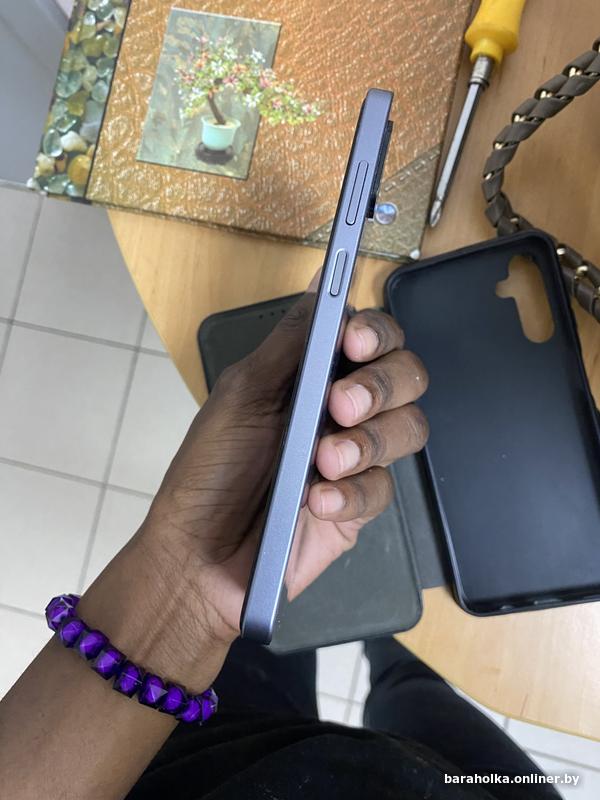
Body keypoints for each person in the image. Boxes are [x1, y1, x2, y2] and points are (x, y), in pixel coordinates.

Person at [0, 283, 561, 800]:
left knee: (387, 675)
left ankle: (390, 646)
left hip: (213, 754)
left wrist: (185, 592)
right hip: (477, 789)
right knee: (415, 688)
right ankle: (392, 647)